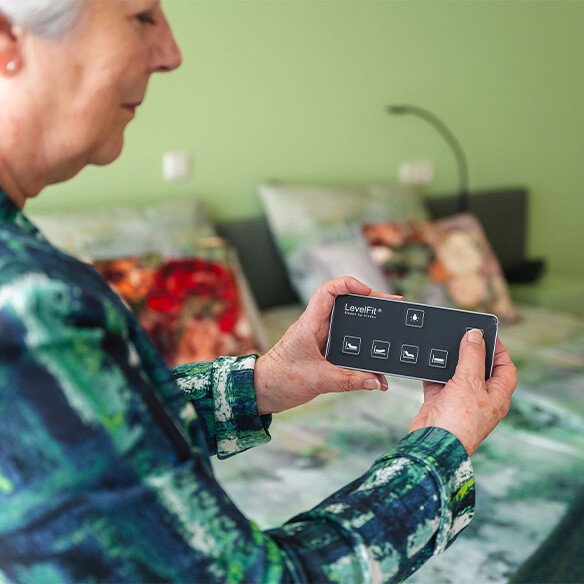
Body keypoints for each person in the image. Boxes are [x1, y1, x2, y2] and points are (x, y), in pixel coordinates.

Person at [0, 1, 517, 582]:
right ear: (6, 37)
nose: (172, 53)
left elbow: (88, 427)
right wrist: (442, 447)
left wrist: (261, 382)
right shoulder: (28, 301)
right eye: (142, 15)